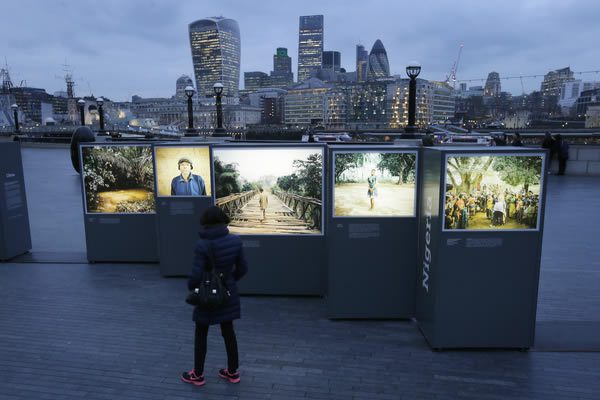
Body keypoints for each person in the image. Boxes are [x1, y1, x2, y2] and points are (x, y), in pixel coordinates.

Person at [181, 206, 248, 387]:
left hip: (207, 296)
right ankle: (233, 372)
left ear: (206, 223)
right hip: (227, 293)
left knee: (201, 333)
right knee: (229, 333)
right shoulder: (235, 241)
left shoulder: (202, 244)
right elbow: (243, 269)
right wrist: (228, 281)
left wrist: (193, 288)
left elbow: (196, 276)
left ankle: (198, 375)